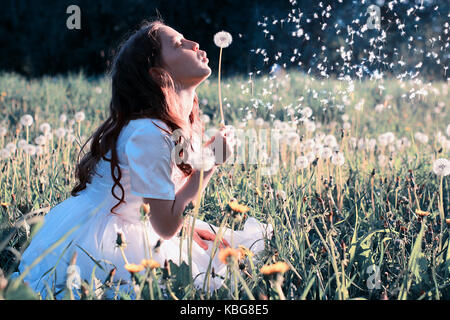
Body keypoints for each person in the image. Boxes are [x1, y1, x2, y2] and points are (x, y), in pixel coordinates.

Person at [11, 19, 272, 299]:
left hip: (129, 221)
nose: (193, 44)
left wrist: (188, 229)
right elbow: (165, 226)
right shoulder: (148, 134)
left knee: (217, 252)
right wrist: (208, 163)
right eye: (177, 44)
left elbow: (160, 203)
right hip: (99, 243)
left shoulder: (167, 126)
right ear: (159, 75)